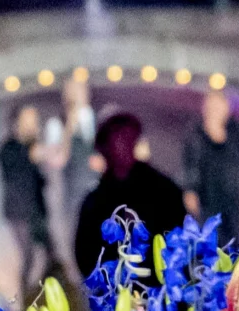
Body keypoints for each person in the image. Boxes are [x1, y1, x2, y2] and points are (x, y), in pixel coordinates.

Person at [69, 109, 186, 278]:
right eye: (116, 140)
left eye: (126, 138)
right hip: (115, 296)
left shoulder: (163, 190)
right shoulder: (95, 201)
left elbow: (178, 241)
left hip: (158, 292)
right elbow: (85, 256)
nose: (122, 146)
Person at [0, 102, 54, 302]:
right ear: (16, 123)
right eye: (29, 120)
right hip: (20, 213)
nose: (34, 125)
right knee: (28, 257)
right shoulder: (8, 149)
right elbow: (14, 173)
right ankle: (26, 302)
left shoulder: (30, 147)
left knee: (50, 254)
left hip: (35, 211)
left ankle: (49, 295)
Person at [179, 89, 239, 243]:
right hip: (206, 197)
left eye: (219, 106)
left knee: (231, 240)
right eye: (212, 107)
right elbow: (190, 164)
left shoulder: (235, 134)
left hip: (229, 197)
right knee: (208, 238)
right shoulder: (196, 133)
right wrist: (190, 190)